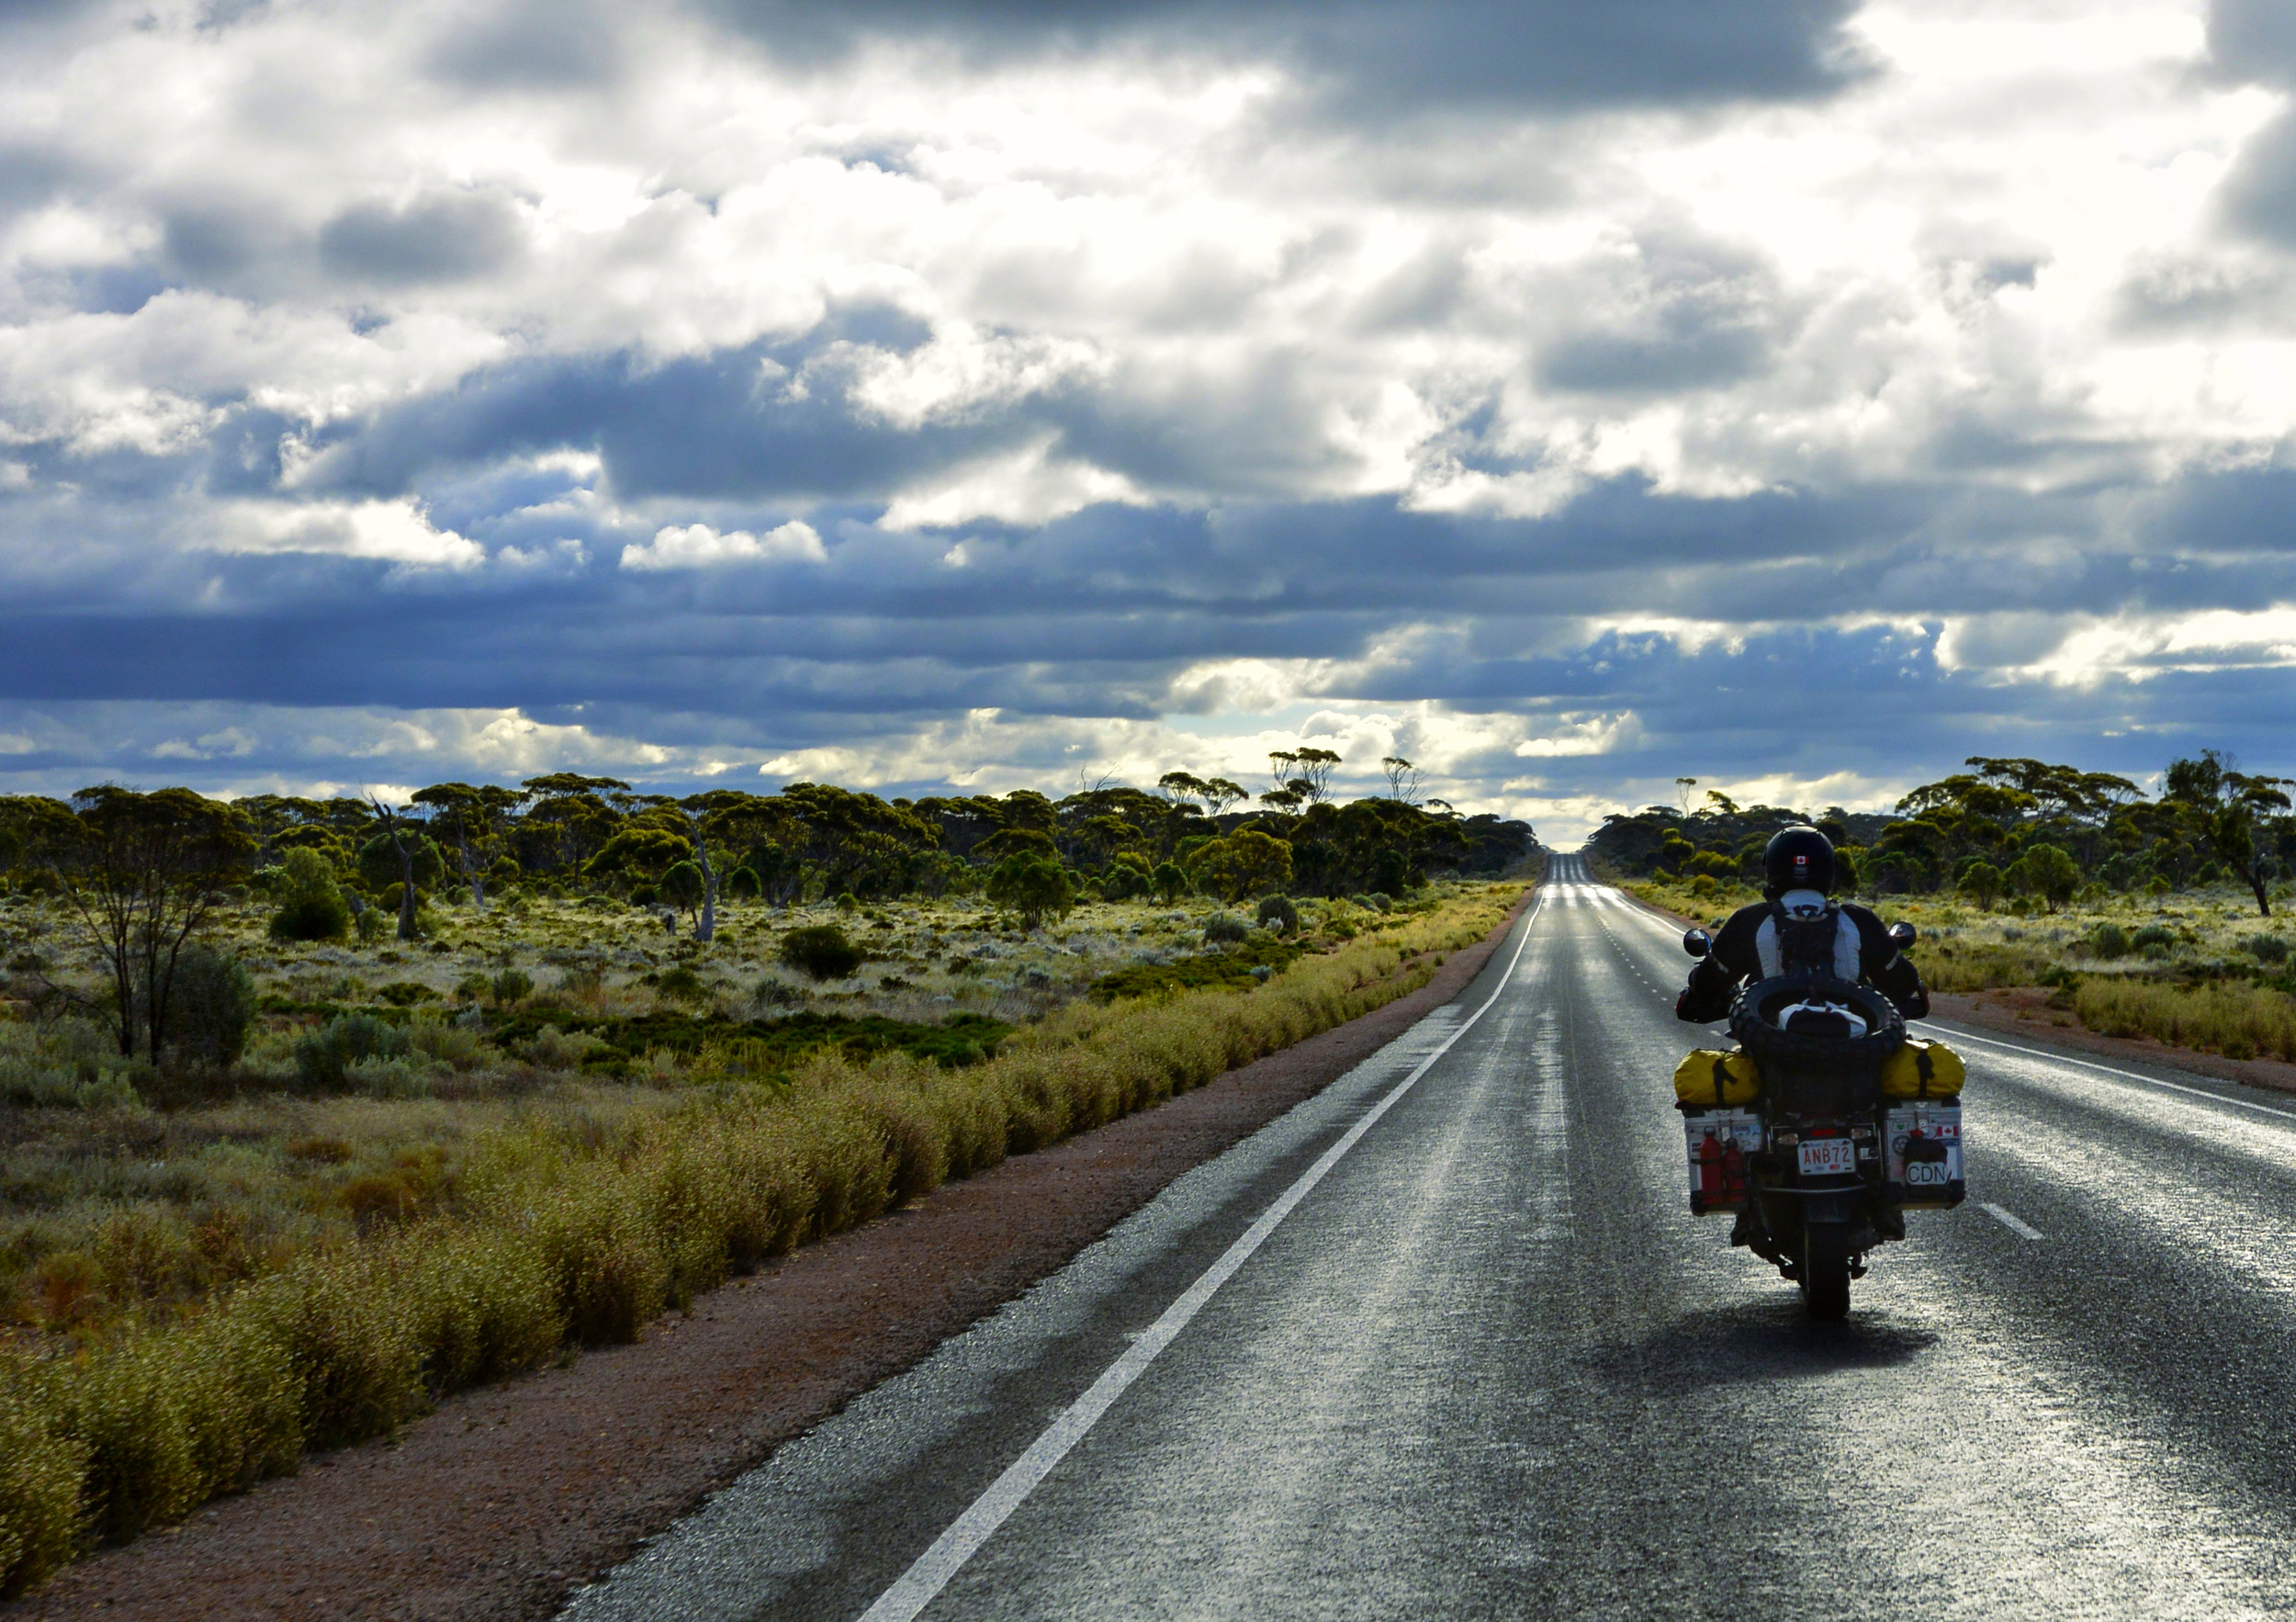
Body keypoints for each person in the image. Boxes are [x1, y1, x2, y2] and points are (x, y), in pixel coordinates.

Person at [1675, 826, 1929, 1025]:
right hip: (1852, 1047)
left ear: (1771, 866)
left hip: (1767, 1045)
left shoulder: (1750, 920)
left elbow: (1708, 985)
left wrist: (1705, 982)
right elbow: (1904, 982)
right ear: (1829, 867)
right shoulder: (1858, 919)